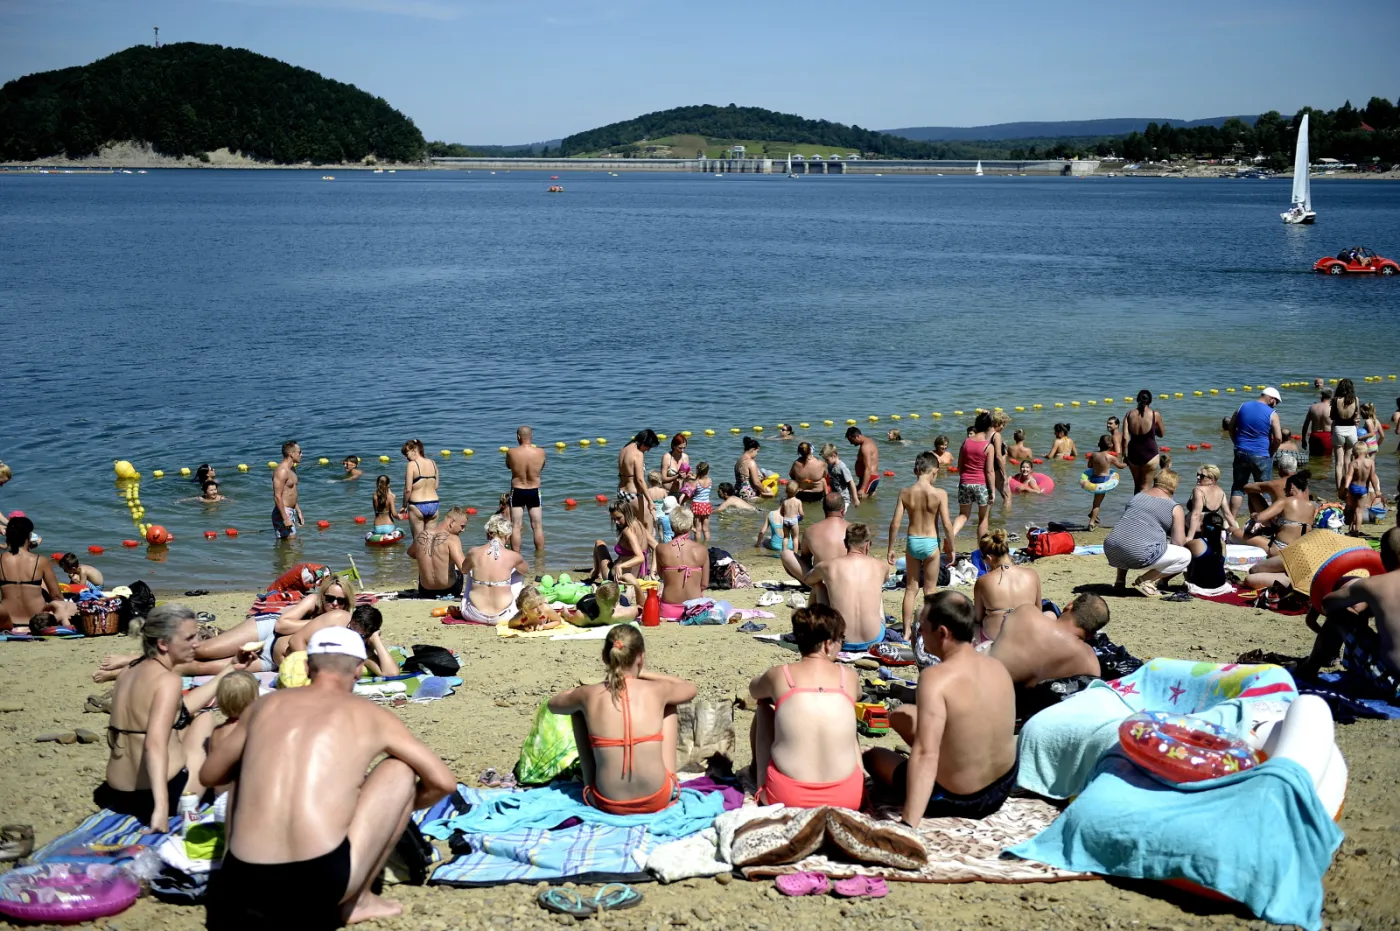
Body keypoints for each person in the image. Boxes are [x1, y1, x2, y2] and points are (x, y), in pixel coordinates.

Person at [201, 626, 457, 929]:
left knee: (243, 765)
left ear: (308, 667)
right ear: (359, 670)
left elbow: (210, 774)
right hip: (318, 886)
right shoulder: (372, 715)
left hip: (241, 889)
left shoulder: (264, 705)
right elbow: (443, 782)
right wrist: (389, 813)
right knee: (399, 770)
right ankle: (358, 902)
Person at [864, 591, 1017, 824]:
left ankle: (929, 792)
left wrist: (908, 823)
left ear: (942, 633)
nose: (921, 636)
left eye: (923, 629)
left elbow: (926, 754)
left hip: (962, 799)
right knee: (903, 714)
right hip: (1002, 787)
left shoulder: (935, 679)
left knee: (873, 757)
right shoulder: (996, 666)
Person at [99, 605, 232, 826]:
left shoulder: (128, 671)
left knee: (191, 721)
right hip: (160, 796)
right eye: (189, 638)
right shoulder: (168, 681)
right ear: (163, 644)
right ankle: (220, 796)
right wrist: (161, 810)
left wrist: (231, 669)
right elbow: (154, 744)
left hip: (117, 793)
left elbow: (178, 710)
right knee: (207, 720)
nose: (197, 644)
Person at [547, 626, 696, 815]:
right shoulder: (658, 690)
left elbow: (553, 704)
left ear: (604, 657)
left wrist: (584, 692)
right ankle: (669, 775)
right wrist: (644, 673)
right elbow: (689, 688)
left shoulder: (588, 694)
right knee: (669, 704)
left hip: (604, 801)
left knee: (577, 710)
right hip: (658, 798)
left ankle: (589, 781)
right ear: (640, 657)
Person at [749, 605, 863, 809]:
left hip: (786, 797)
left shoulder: (780, 675)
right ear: (828, 644)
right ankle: (862, 778)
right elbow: (859, 694)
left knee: (764, 704)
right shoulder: (849, 677)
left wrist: (774, 687)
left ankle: (759, 777)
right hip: (847, 798)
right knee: (846, 707)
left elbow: (754, 690)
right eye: (841, 640)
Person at [1298, 527, 1400, 694]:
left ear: (1384, 557)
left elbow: (1327, 604)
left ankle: (1309, 668)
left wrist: (1362, 598)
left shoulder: (1373, 585)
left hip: (1393, 683)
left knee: (1339, 616)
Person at [988, 594, 1111, 721]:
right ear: (1092, 634)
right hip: (1015, 714)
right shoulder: (1089, 662)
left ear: (1069, 605)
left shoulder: (1025, 612)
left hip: (982, 688)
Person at [887, 452, 956, 639]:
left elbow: (895, 523)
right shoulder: (939, 494)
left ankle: (907, 631)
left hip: (913, 541)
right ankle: (929, 630)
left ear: (915, 470)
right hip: (931, 542)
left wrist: (890, 548)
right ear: (934, 471)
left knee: (911, 589)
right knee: (930, 590)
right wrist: (951, 548)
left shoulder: (905, 493)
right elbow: (947, 524)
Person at [803, 524, 890, 650]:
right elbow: (884, 580)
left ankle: (810, 625)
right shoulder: (882, 566)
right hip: (874, 638)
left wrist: (827, 578)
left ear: (845, 543)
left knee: (818, 584)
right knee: (877, 588)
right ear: (867, 545)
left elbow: (808, 580)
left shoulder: (828, 566)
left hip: (838, 639)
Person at [1105, 469, 1187, 597]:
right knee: (1185, 556)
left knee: (1130, 534)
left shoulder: (1138, 496)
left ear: (1156, 481)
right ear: (1174, 486)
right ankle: (1145, 581)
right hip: (1137, 554)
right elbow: (1179, 543)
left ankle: (1120, 582)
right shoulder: (1175, 507)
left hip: (1112, 548)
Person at [0, 517, 76, 630]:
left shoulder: (1, 560)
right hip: (38, 622)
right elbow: (56, 596)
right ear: (29, 537)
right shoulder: (41, 561)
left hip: (8, 622)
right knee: (70, 607)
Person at [972, 528, 1043, 646]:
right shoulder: (1032, 574)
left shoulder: (983, 581)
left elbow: (978, 618)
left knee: (972, 627)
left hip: (995, 640)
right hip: (1029, 637)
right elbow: (1038, 611)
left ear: (989, 558)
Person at [459, 514, 529, 624]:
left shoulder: (474, 552)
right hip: (505, 617)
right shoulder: (513, 556)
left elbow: (464, 570)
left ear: (488, 534)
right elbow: (525, 570)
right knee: (518, 572)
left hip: (473, 615)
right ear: (507, 536)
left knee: (471, 571)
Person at [1228, 387, 1283, 517]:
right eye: (1276, 402)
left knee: (1238, 487)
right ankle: (1263, 520)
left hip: (1241, 451)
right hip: (1261, 454)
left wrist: (1236, 442)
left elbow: (1231, 427)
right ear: (1272, 399)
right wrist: (1271, 452)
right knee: (1263, 488)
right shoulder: (1272, 414)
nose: (1275, 405)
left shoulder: (1242, 407)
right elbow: (1278, 438)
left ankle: (1231, 521)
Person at [204, 671, 260, 796]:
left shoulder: (217, 732)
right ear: (254, 699)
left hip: (219, 796)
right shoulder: (250, 731)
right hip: (242, 796)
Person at [781, 492, 850, 591]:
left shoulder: (810, 530)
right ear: (843, 510)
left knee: (786, 554)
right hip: (848, 581)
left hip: (823, 582)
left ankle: (815, 587)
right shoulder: (854, 529)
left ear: (823, 509)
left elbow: (805, 559)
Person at [656, 508, 709, 620]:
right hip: (694, 609)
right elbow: (704, 584)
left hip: (668, 609)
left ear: (671, 526)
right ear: (691, 526)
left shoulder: (661, 549)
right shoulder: (701, 550)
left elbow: (662, 576)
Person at [952, 412, 997, 542]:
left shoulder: (966, 442)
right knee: (983, 518)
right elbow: (989, 471)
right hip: (981, 485)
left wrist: (965, 479)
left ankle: (951, 536)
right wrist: (992, 491)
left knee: (963, 515)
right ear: (989, 427)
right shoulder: (988, 446)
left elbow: (959, 467)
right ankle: (982, 548)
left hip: (965, 482)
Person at [591, 501, 653, 591]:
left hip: (617, 578)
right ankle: (596, 572)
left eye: (618, 518)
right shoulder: (639, 524)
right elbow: (656, 546)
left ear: (627, 513)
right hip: (638, 575)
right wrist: (653, 571)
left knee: (599, 543)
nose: (616, 522)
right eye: (613, 519)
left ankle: (596, 572)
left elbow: (640, 557)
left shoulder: (628, 531)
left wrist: (620, 566)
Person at [408, 507, 469, 598]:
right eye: (462, 526)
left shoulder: (422, 535)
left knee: (426, 558)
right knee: (456, 564)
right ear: (452, 522)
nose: (463, 530)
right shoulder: (453, 539)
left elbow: (411, 553)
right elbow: (464, 569)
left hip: (425, 591)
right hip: (449, 589)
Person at [506, 426, 546, 555]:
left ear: (518, 437)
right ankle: (540, 557)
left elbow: (508, 466)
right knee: (537, 526)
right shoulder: (540, 452)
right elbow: (541, 467)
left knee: (516, 526)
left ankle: (516, 556)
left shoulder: (511, 452)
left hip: (517, 490)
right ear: (531, 436)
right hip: (534, 490)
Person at [400, 440, 440, 544]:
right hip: (434, 504)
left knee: (418, 542)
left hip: (417, 505)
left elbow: (408, 490)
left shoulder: (411, 465)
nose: (406, 458)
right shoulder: (433, 463)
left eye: (407, 454)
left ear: (414, 450)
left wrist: (404, 506)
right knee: (429, 542)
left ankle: (417, 555)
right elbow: (436, 486)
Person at [1124, 390, 1164, 494]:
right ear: (1150, 401)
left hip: (1133, 454)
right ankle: (1145, 505)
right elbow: (1162, 434)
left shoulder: (1129, 414)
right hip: (1150, 454)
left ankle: (1135, 504)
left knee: (1137, 486)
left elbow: (1125, 438)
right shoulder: (1155, 415)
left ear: (1137, 399)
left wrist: (1124, 455)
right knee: (1145, 487)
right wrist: (1153, 429)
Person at [1186, 464, 1240, 539]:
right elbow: (1227, 514)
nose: (1198, 477)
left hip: (1197, 532)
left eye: (1202, 476)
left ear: (1212, 479)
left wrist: (1189, 537)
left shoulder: (1198, 490)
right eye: (1198, 474)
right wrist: (1237, 532)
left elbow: (1196, 515)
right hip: (1214, 532)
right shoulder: (1221, 492)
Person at [619, 430, 659, 524]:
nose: (648, 450)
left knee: (626, 525)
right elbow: (640, 480)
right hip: (633, 494)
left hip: (621, 491)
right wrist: (650, 501)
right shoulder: (638, 454)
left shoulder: (624, 448)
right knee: (640, 525)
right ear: (643, 442)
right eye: (648, 446)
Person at [1085, 434, 1125, 529]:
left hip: (1094, 479)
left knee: (1096, 500)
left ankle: (1093, 515)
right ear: (1111, 445)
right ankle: (1091, 523)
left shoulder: (1094, 455)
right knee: (1097, 503)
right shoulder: (1110, 457)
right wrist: (1127, 463)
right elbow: (1120, 466)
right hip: (1103, 481)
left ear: (1099, 444)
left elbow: (1089, 466)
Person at [1241, 453, 1298, 518]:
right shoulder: (1303, 483)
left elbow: (1246, 487)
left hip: (1280, 521)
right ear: (1295, 469)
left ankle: (1253, 519)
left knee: (1252, 491)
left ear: (1279, 468)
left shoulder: (1274, 484)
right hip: (1301, 519)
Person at [1331, 379, 1361, 497]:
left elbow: (1332, 416)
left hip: (1339, 429)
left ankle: (1339, 489)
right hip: (1351, 430)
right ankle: (1347, 487)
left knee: (1339, 463)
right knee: (1348, 462)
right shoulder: (1356, 399)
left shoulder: (1336, 400)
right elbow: (1357, 416)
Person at [1343, 445, 1382, 536]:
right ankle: (1357, 530)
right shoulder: (1370, 462)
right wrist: (1376, 490)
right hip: (1363, 489)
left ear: (1354, 452)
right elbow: (1372, 477)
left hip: (1353, 488)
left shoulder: (1353, 463)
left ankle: (1351, 528)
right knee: (1359, 511)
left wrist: (1346, 486)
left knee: (1352, 509)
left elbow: (1349, 475)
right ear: (1366, 452)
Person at [272, 440, 303, 540]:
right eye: (299, 452)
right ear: (292, 454)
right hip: (283, 512)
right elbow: (277, 496)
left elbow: (292, 492)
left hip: (290, 510)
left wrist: (298, 511)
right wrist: (285, 518)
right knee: (290, 543)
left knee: (290, 544)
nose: (301, 454)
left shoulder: (292, 469)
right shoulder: (281, 471)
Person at [822, 443, 860, 512]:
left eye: (827, 460)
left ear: (834, 455)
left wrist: (855, 498)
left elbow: (851, 482)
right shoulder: (830, 465)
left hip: (844, 498)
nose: (825, 461)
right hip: (835, 496)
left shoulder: (842, 467)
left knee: (840, 515)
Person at [845, 427, 881, 497]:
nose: (851, 443)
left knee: (858, 498)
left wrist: (862, 488)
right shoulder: (868, 441)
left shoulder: (865, 447)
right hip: (869, 478)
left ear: (857, 436)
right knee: (864, 498)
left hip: (870, 478)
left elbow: (868, 468)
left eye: (851, 440)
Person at [1301, 386, 1334, 460]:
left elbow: (1306, 424)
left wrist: (1303, 439)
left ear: (1321, 395)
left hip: (1314, 436)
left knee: (1313, 459)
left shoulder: (1313, 407)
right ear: (1331, 396)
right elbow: (1335, 425)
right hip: (1327, 436)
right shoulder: (1332, 408)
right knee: (1327, 460)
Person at [733, 436, 769, 501]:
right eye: (757, 451)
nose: (757, 454)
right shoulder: (751, 462)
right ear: (753, 450)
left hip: (737, 492)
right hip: (748, 494)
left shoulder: (738, 461)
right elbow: (756, 483)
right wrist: (765, 492)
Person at [688, 462, 714, 541]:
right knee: (706, 529)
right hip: (706, 505)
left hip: (697, 505)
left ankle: (697, 544)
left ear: (698, 471)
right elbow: (702, 478)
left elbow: (690, 493)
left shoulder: (696, 482)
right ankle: (707, 544)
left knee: (698, 529)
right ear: (707, 471)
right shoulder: (710, 481)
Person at [369, 475, 400, 540]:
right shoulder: (390, 497)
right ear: (388, 485)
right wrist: (399, 517)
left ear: (377, 484)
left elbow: (376, 513)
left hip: (377, 527)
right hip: (389, 527)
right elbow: (394, 514)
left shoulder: (374, 496)